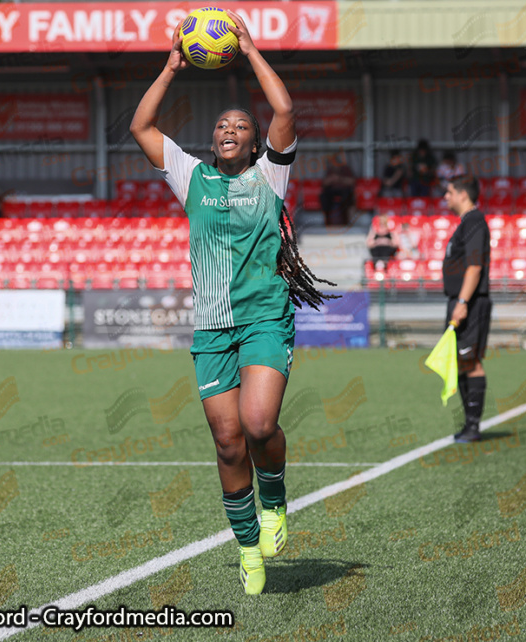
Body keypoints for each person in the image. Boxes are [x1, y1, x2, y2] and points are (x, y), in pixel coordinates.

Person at [130, 11, 338, 595]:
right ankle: (249, 550)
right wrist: (171, 67)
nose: (230, 128)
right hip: (212, 328)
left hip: (265, 317)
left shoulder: (271, 177)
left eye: (241, 125)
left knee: (258, 422)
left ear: (254, 142)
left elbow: (286, 110)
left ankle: (274, 499)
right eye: (222, 123)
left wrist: (248, 49)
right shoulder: (189, 177)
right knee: (226, 444)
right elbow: (141, 125)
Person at [442, 175, 492, 443]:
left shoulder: (474, 222)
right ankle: (468, 424)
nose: (445, 197)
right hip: (459, 300)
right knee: (461, 362)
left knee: (470, 361)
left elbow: (474, 266)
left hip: (470, 303)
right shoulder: (465, 224)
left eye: (449, 192)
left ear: (463, 194)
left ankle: (473, 426)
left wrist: (462, 303)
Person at [320, 157, 356, 227]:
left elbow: (352, 181)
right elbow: (324, 183)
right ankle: (327, 221)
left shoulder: (346, 170)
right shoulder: (330, 171)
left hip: (344, 190)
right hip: (332, 191)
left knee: (348, 197)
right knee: (324, 197)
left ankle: (347, 221)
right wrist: (332, 179)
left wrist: (340, 179)